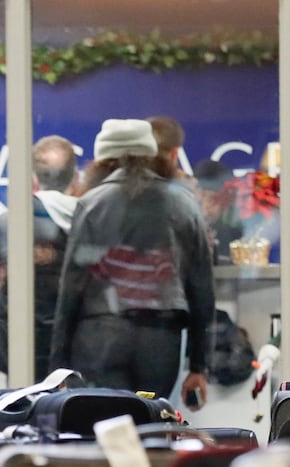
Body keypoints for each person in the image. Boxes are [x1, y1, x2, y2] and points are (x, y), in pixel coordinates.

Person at [50, 118, 213, 410]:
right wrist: (199, 365)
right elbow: (201, 289)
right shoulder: (184, 203)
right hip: (161, 338)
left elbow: (72, 286)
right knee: (150, 426)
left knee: (106, 429)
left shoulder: (92, 203)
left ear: (101, 161)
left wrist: (58, 366)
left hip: (99, 336)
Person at [0, 135, 79, 380]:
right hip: (72, 340)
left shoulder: (12, 220)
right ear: (74, 176)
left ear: (34, 178)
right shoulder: (89, 218)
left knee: (21, 411)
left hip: (19, 340)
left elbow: (6, 272)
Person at [192, 158, 244, 263]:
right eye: (199, 201)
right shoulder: (181, 236)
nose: (205, 209)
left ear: (226, 203)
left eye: (212, 200)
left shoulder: (238, 240)